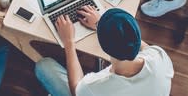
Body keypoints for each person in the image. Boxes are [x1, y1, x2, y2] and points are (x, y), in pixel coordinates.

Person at [34, 7, 173, 96]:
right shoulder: (159, 56)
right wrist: (101, 25)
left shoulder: (97, 87)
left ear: (104, 46)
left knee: (44, 66)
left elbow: (76, 89)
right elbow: (136, 42)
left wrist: (69, 42)